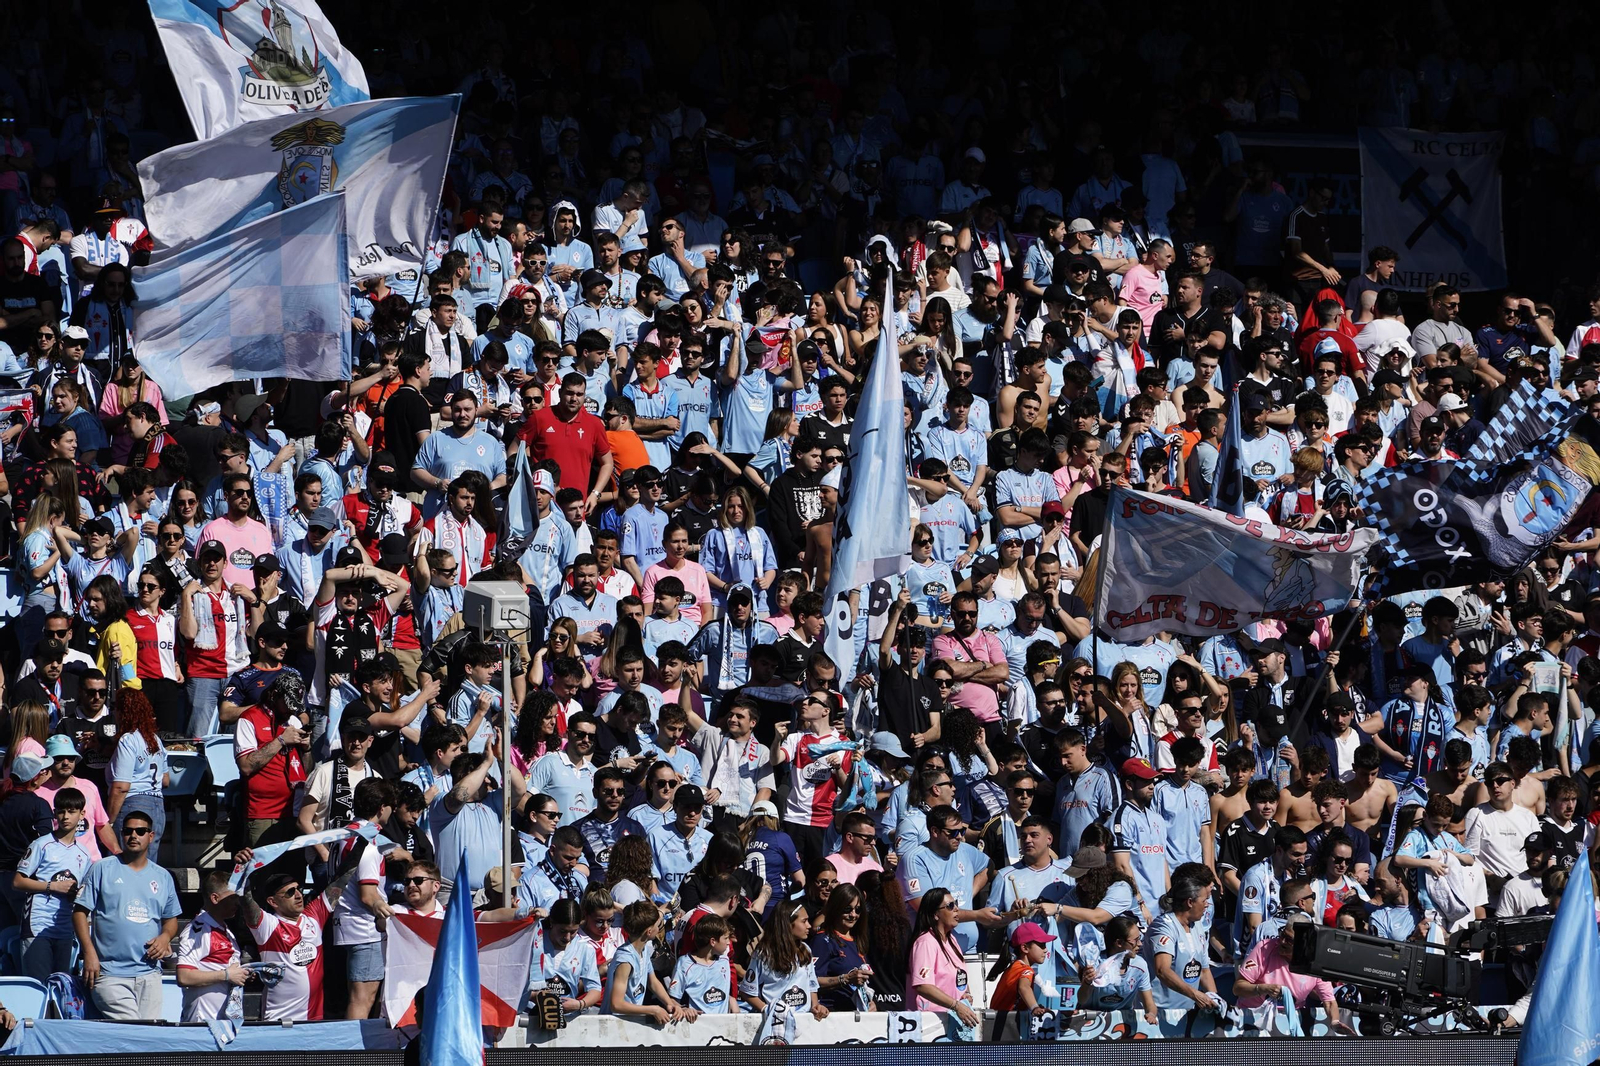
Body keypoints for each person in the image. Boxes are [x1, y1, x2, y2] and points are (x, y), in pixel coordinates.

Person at [73, 810, 181, 1020]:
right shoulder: (102, 868)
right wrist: (89, 953)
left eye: (140, 831)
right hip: (108, 973)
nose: (134, 835)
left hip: (149, 974)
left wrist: (165, 937)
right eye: (128, 831)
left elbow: (171, 920)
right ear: (121, 834)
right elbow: (79, 912)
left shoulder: (163, 877)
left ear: (151, 836)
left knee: (148, 1038)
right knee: (134, 1029)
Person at [14, 784, 92, 980]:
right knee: (38, 984)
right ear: (55, 813)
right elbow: (18, 881)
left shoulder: (84, 853)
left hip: (66, 928)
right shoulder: (42, 844)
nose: (66, 816)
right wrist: (51, 886)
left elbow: (82, 893)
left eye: (72, 811)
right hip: (38, 925)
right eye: (61, 811)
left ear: (82, 814)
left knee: (61, 986)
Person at [173, 869, 251, 1022]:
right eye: (233, 897)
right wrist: (226, 975)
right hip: (202, 1024)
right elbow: (184, 976)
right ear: (215, 898)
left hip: (224, 1023)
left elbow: (226, 970)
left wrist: (242, 974)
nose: (237, 902)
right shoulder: (198, 930)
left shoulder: (226, 930)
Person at [1144, 871, 1224, 1013]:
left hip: (1187, 1011)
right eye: (1204, 901)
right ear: (1189, 902)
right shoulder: (1163, 926)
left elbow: (1204, 970)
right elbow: (1162, 970)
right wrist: (1195, 994)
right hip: (1161, 1012)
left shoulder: (1197, 925)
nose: (1207, 905)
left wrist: (1215, 999)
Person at [602, 899, 691, 1024]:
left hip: (629, 1024)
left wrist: (670, 1004)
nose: (659, 927)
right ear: (649, 931)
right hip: (612, 1028)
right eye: (657, 924)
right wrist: (653, 1010)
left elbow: (653, 982)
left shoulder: (642, 950)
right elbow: (616, 1004)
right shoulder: (625, 960)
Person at [907, 887, 979, 1028]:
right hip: (929, 1024)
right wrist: (956, 1005)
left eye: (956, 903)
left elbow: (960, 976)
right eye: (950, 906)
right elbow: (923, 986)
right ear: (935, 914)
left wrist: (966, 994)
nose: (957, 909)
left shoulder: (952, 941)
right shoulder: (925, 942)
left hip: (950, 1020)